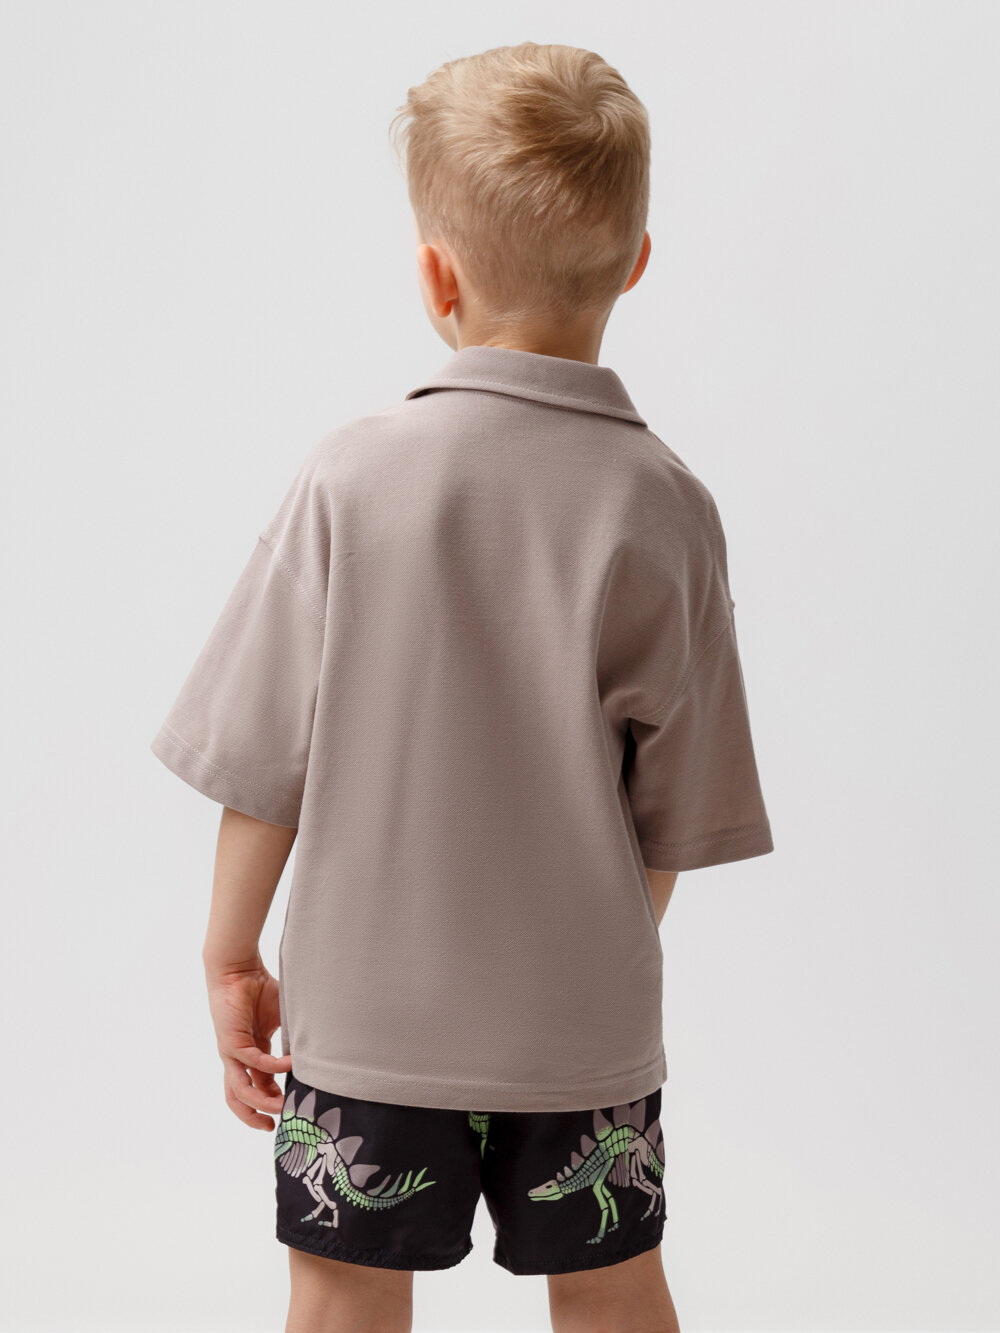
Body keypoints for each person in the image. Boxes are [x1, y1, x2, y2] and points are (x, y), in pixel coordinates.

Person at [150, 41, 774, 1333]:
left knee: (342, 1289)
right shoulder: (669, 508)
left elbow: (262, 763)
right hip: (583, 1025)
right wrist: (587, 961)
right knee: (610, 1286)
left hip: (368, 1023)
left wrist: (228, 951)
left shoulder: (350, 478)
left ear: (436, 275)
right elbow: (675, 817)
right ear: (636, 262)